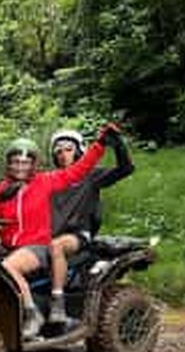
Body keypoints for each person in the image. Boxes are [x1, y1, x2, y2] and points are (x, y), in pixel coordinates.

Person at [0, 124, 121, 339]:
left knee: (8, 268)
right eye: (16, 162)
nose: (20, 167)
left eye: (25, 162)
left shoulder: (45, 182)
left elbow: (79, 170)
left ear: (33, 164)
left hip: (36, 247)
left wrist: (99, 144)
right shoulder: (4, 188)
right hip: (8, 247)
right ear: (8, 164)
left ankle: (31, 313)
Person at [47, 127, 134, 324]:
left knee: (56, 246)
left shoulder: (90, 176)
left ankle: (58, 303)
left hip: (78, 235)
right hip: (51, 235)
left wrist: (118, 144)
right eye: (58, 151)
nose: (63, 154)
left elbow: (125, 169)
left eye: (68, 149)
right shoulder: (51, 180)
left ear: (78, 151)